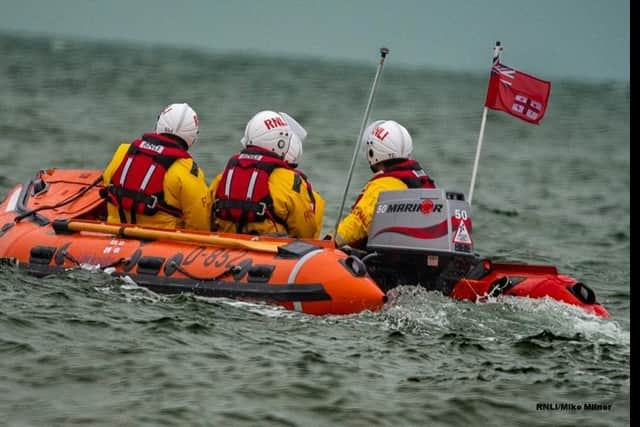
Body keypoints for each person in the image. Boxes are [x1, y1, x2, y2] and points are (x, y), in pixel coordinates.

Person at [102, 102, 211, 231]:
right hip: (162, 244)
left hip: (114, 232)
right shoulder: (189, 171)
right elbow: (200, 225)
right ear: (192, 137)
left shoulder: (123, 152)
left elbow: (106, 184)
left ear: (159, 123)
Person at [210, 110, 319, 238]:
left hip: (223, 248)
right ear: (281, 142)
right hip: (271, 251)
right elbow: (307, 232)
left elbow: (206, 219)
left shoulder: (222, 178)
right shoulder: (291, 182)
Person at [334, 119, 436, 248]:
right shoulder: (421, 180)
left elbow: (359, 222)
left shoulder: (384, 185)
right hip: (419, 254)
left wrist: (329, 241)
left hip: (389, 261)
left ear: (373, 152)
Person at [282, 118, 326, 239]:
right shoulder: (311, 196)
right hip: (284, 250)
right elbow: (307, 233)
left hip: (234, 244)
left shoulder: (228, 175)